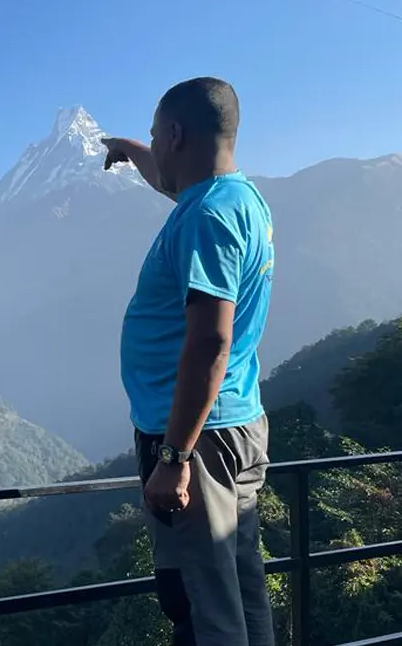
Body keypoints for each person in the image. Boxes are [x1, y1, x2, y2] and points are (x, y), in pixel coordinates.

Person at [102, 76, 276, 646]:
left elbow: (208, 343)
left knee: (203, 608)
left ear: (175, 134)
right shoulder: (236, 199)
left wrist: (175, 455)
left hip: (196, 441)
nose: (156, 149)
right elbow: (170, 179)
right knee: (242, 591)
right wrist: (129, 150)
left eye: (157, 137)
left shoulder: (207, 219)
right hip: (234, 424)